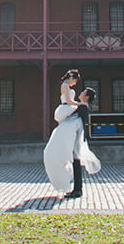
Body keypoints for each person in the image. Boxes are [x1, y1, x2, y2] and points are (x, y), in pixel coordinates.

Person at [42, 69, 101, 199]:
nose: (80, 92)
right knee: (74, 161)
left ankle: (77, 189)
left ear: (86, 97)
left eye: (83, 92)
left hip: (74, 137)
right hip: (72, 135)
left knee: (75, 161)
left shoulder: (82, 107)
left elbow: (79, 123)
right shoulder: (79, 105)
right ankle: (76, 189)